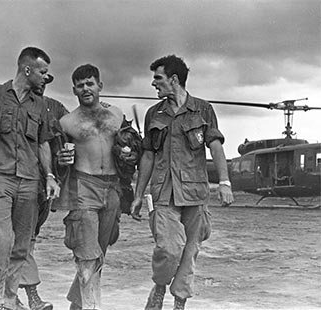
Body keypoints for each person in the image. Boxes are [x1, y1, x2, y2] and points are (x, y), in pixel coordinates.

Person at [131, 55, 234, 310]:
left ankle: (179, 302)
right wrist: (137, 194)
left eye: (158, 78)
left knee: (190, 251)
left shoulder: (203, 109)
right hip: (163, 193)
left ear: (174, 79)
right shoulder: (153, 114)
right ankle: (159, 285)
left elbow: (216, 147)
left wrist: (224, 182)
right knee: (169, 248)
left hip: (195, 192)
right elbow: (147, 155)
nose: (154, 84)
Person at [0, 47, 60, 310]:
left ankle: (10, 300)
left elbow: (43, 144)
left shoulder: (39, 105)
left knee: (21, 245)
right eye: (43, 72)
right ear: (27, 70)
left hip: (30, 181)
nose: (45, 77)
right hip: (0, 178)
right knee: (2, 239)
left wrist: (50, 175)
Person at [55, 64, 124, 310]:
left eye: (90, 83)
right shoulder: (67, 122)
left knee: (99, 254)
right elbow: (56, 158)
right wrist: (60, 159)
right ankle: (92, 307)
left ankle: (78, 304)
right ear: (74, 89)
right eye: (80, 85)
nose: (85, 88)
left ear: (100, 86)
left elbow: (130, 150)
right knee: (87, 255)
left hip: (113, 189)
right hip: (83, 186)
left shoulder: (116, 115)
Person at [18, 73, 69, 305]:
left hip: (44, 186)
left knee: (30, 238)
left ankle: (12, 297)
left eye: (45, 85)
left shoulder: (56, 108)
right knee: (20, 239)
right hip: (17, 184)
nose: (41, 88)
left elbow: (73, 132)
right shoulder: (13, 104)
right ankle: (30, 296)